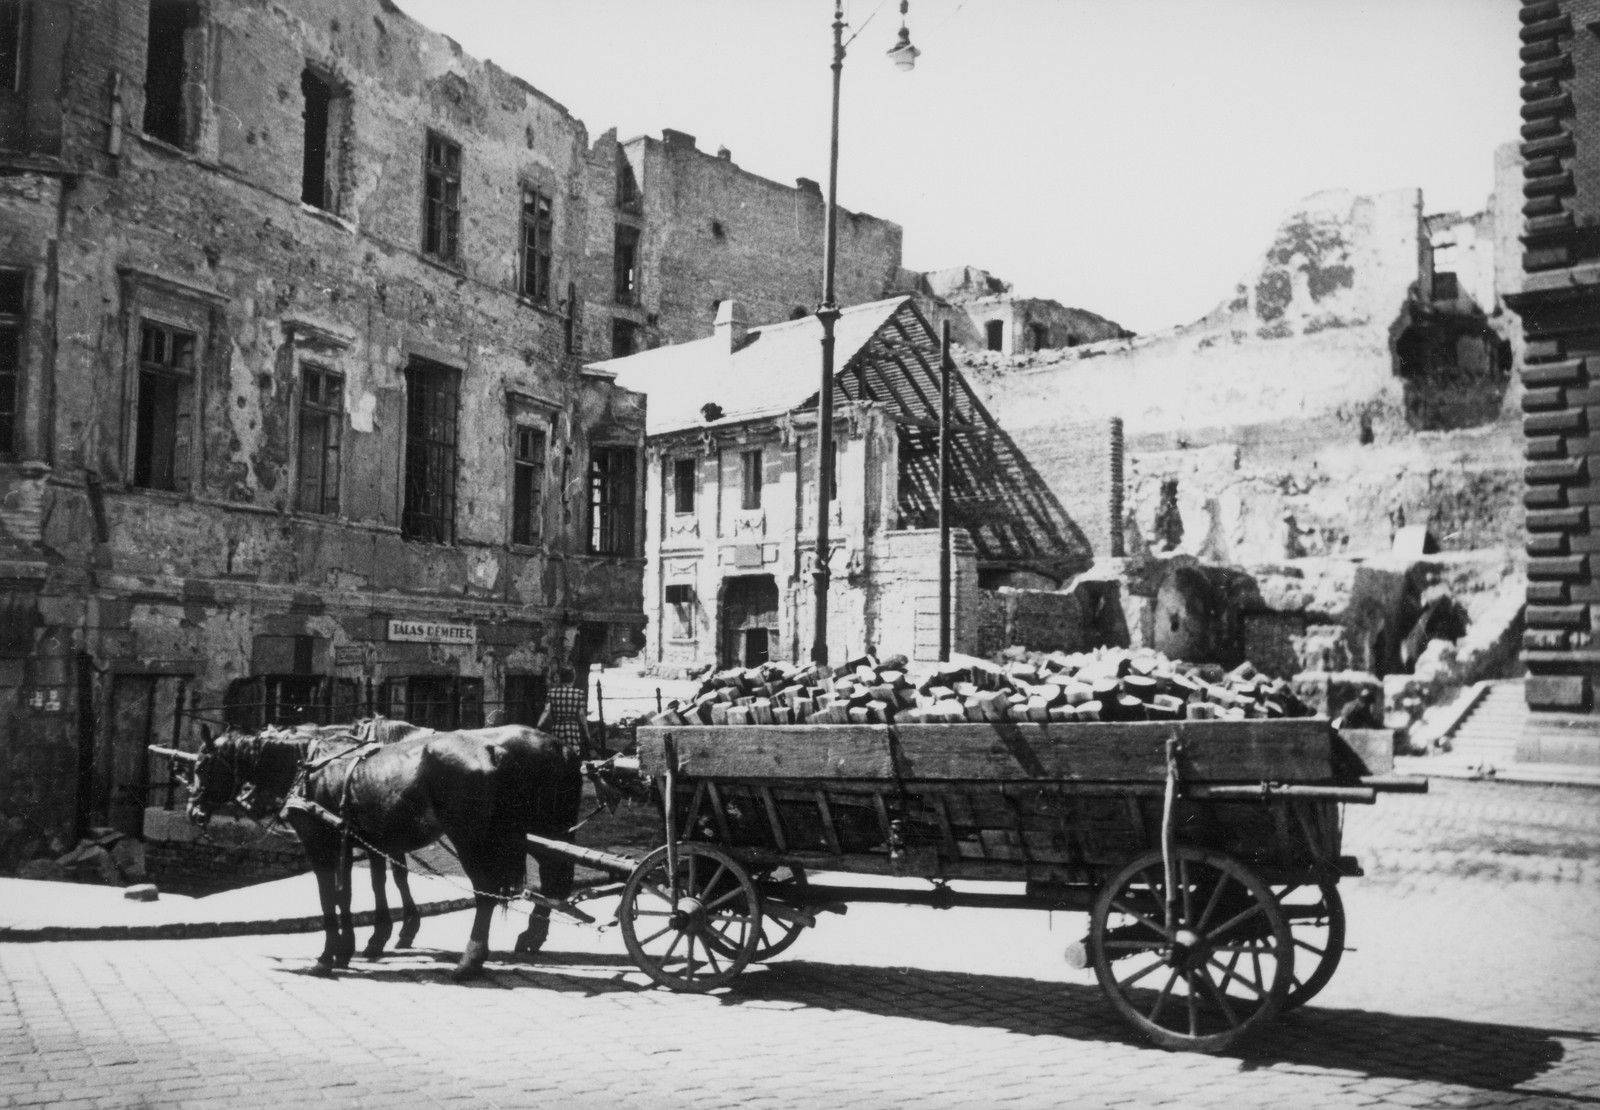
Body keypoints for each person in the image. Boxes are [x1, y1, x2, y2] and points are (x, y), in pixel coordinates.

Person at [537, 666, 591, 759]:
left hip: (557, 728)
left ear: (561, 678)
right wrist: (587, 733)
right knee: (573, 755)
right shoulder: (578, 693)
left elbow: (546, 711)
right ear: (573, 678)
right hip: (572, 729)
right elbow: (581, 715)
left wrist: (538, 726)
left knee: (557, 755)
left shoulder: (552, 693)